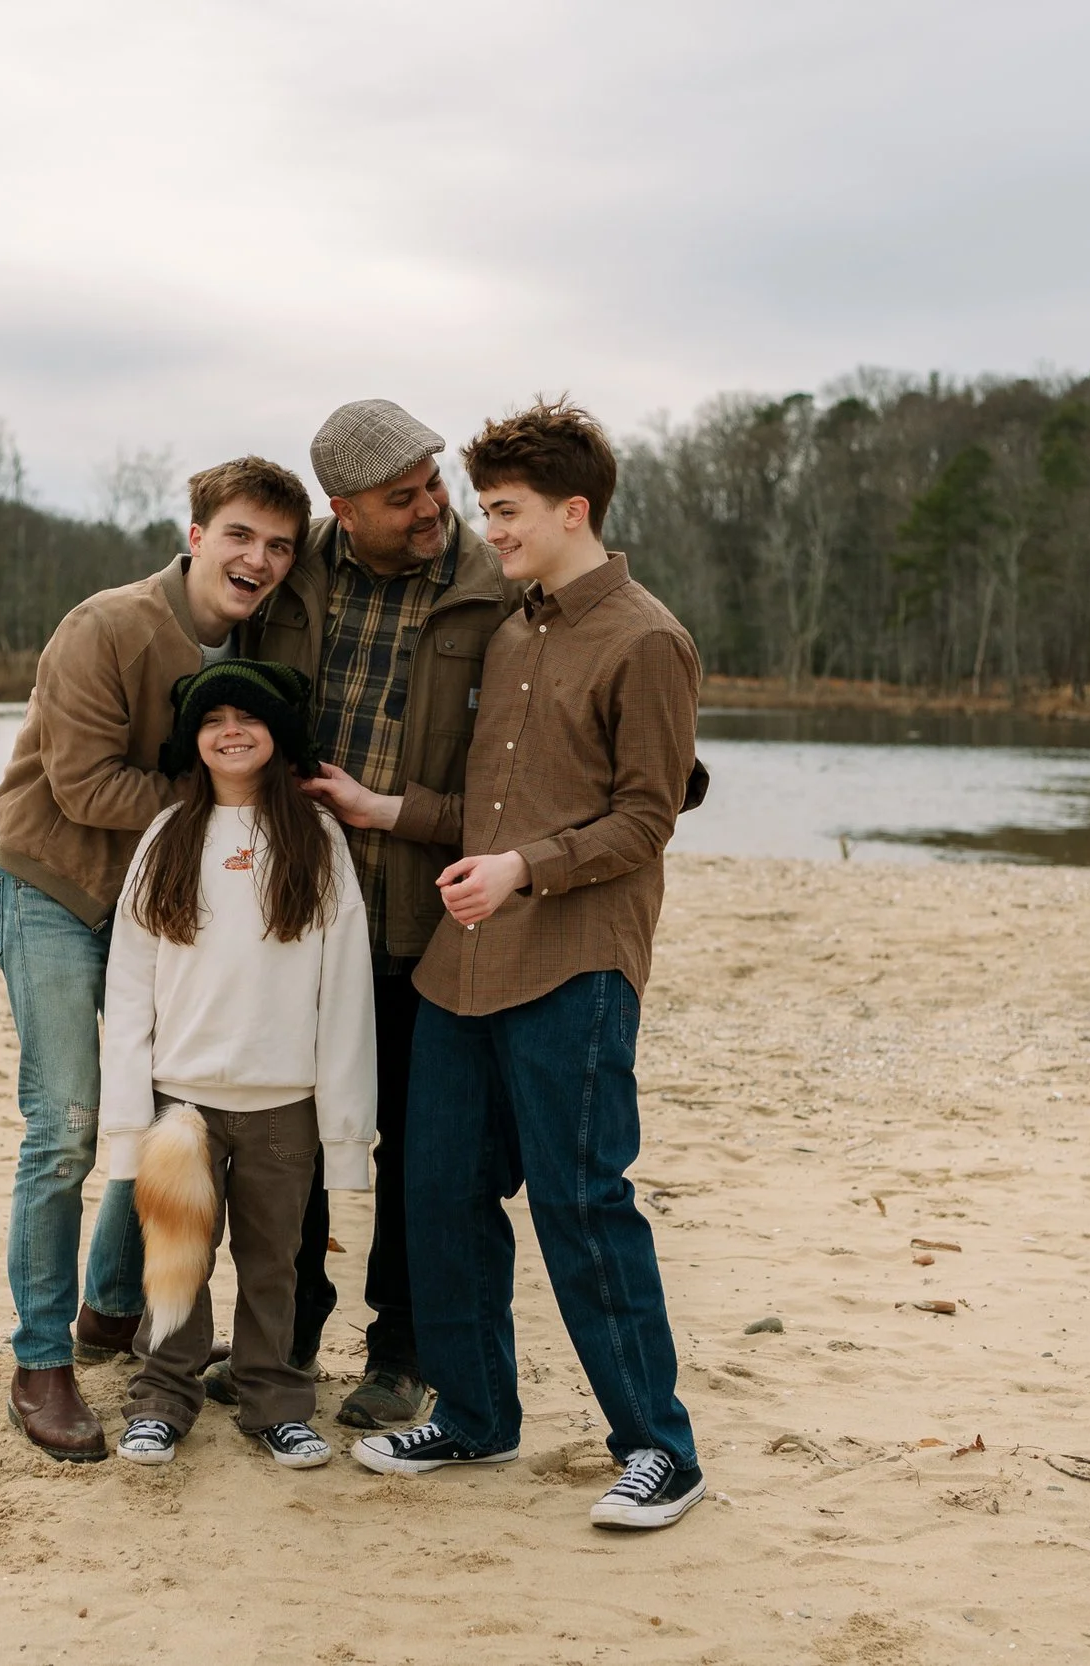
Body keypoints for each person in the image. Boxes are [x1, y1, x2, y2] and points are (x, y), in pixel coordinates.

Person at [324, 401, 709, 1530]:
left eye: (503, 511)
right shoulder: (510, 629)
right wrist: (377, 805)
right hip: (464, 964)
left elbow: (646, 819)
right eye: (484, 508)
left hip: (576, 962)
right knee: (438, 1189)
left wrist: (523, 872)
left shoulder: (650, 640)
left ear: (572, 512)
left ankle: (658, 1451)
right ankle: (477, 1416)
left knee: (583, 1202)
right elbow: (482, 806)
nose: (484, 529)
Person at [0, 457, 306, 1461]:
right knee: (71, 1126)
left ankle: (112, 1311)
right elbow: (81, 787)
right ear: (197, 531)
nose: (258, 559)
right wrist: (214, 805)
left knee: (161, 1116)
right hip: (56, 887)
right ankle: (41, 1362)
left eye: (281, 547)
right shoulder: (107, 626)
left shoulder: (251, 644)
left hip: (159, 905)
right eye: (242, 535)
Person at [221, 398, 516, 1431]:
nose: (434, 505)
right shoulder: (286, 575)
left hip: (424, 912)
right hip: (291, 907)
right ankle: (286, 1333)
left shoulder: (493, 590)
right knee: (282, 1130)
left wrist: (401, 815)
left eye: (433, 483)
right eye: (405, 497)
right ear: (343, 510)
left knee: (412, 1141)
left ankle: (399, 1351)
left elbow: (520, 779)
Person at [100, 660, 377, 1469]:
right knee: (177, 1261)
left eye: (248, 718)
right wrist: (127, 1120)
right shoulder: (167, 836)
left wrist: (345, 1130)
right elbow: (130, 982)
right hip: (179, 1099)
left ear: (276, 737)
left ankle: (273, 1400)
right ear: (194, 738)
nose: (231, 730)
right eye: (213, 718)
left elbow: (345, 988)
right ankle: (163, 1397)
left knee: (272, 1265)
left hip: (284, 1100)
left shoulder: (315, 840)